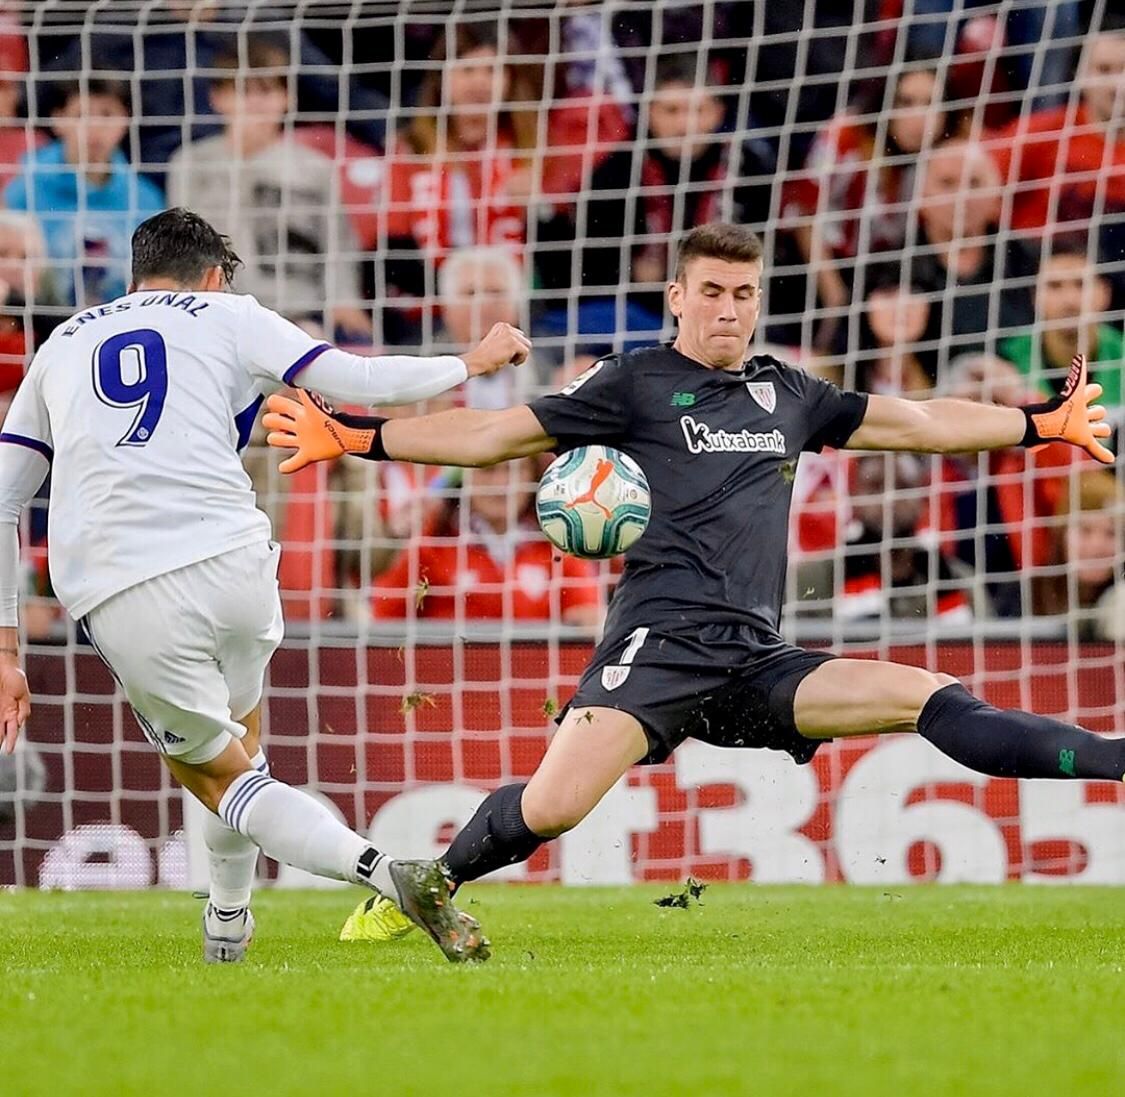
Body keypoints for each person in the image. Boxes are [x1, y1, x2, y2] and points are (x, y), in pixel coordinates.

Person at [266, 222, 1116, 939]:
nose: (728, 309)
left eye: (743, 294)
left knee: (931, 696)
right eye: (711, 291)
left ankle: (1113, 759)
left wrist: (1040, 423)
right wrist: (358, 438)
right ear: (677, 295)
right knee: (555, 806)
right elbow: (495, 434)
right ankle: (428, 886)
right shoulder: (633, 382)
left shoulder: (787, 393)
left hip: (756, 658)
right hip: (657, 648)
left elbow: (921, 421)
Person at [0, 207, 532, 963]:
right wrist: (467, 365)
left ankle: (391, 874)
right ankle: (227, 925)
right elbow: (354, 377)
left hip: (126, 582)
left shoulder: (61, 341)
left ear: (134, 274)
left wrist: (6, 645)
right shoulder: (230, 314)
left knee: (216, 775)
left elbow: (4, 497)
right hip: (239, 563)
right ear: (214, 276)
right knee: (244, 751)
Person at [167, 36, 371, 340]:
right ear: (218, 98)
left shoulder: (314, 168)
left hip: (297, 311)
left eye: (267, 90)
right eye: (243, 91)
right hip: (217, 311)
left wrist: (344, 300)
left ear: (287, 98)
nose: (256, 103)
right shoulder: (191, 163)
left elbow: (338, 244)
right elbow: (180, 247)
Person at [372, 456, 602, 626]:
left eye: (514, 470)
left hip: (533, 687)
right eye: (488, 470)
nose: (501, 483)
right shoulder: (431, 545)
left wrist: (585, 620)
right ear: (464, 478)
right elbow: (383, 623)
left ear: (533, 477)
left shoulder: (559, 546)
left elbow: (587, 613)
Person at [3, 79, 164, 308]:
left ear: (126, 120)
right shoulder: (23, 189)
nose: (94, 126)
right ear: (58, 120)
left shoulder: (145, 198)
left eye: (107, 114)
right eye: (81, 115)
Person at [999, 239, 1121, 413]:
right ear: (1035, 296)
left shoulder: (1121, 353)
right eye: (1054, 286)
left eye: (1081, 284)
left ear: (1105, 293)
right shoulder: (1006, 358)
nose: (1069, 300)